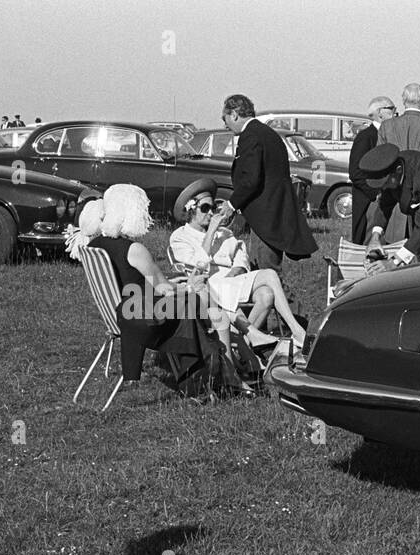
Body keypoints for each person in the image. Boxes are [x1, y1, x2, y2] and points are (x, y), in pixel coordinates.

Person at [73, 184, 232, 394]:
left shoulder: (95, 245)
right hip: (147, 320)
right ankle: (225, 377)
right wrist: (189, 286)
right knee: (217, 314)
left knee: (201, 303)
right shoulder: (133, 250)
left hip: (120, 315)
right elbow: (164, 289)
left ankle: (225, 372)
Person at [168, 178, 306, 351]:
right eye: (204, 208)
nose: (210, 213)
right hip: (207, 285)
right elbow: (199, 265)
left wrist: (236, 270)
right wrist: (210, 232)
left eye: (213, 208)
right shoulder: (180, 237)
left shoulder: (225, 233)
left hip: (231, 279)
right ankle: (248, 345)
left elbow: (241, 254)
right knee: (266, 293)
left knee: (268, 284)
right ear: (190, 211)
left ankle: (279, 335)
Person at [217, 94, 318, 273]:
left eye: (224, 118)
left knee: (265, 273)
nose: (225, 124)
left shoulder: (251, 136)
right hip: (274, 211)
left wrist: (231, 204)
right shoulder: (266, 133)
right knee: (266, 271)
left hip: (265, 217)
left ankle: (282, 302)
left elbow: (250, 179)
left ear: (234, 114)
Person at [348, 96, 395, 244]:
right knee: (369, 242)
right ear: (380, 113)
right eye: (392, 109)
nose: (395, 113)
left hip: (386, 196)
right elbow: (355, 172)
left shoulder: (389, 134)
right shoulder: (366, 137)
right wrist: (375, 194)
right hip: (370, 200)